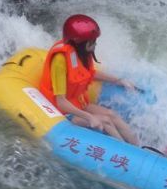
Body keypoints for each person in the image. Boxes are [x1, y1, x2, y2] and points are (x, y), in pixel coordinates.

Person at [39, 14, 140, 145]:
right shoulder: (60, 60)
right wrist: (90, 117)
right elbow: (61, 102)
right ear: (80, 42)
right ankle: (129, 153)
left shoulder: (81, 53)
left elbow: (88, 74)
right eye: (92, 41)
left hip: (77, 103)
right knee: (106, 121)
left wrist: (118, 80)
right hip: (62, 112)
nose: (95, 44)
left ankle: (139, 147)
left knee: (112, 115)